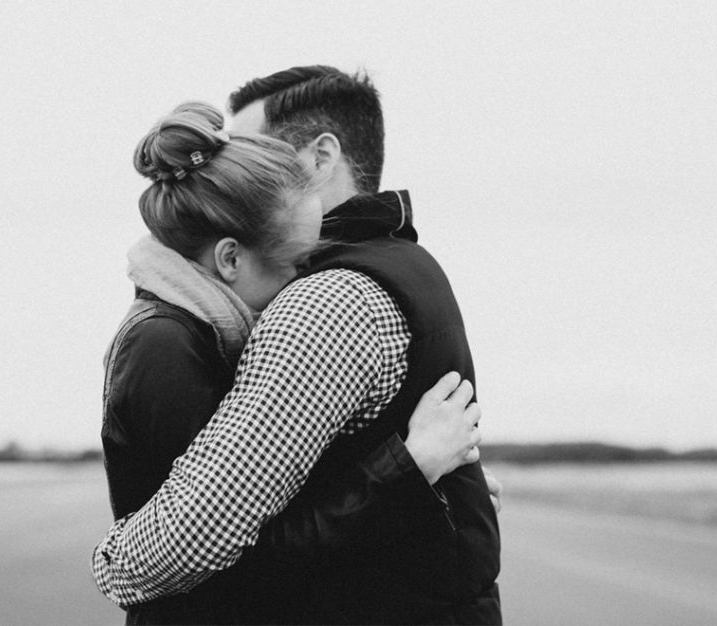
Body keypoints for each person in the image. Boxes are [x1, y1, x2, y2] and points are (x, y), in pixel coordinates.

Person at [94, 67, 501, 624]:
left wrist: (440, 493)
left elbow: (197, 539)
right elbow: (216, 539)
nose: (230, 165)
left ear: (320, 157)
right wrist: (415, 481)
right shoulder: (408, 263)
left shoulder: (324, 299)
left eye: (255, 147)